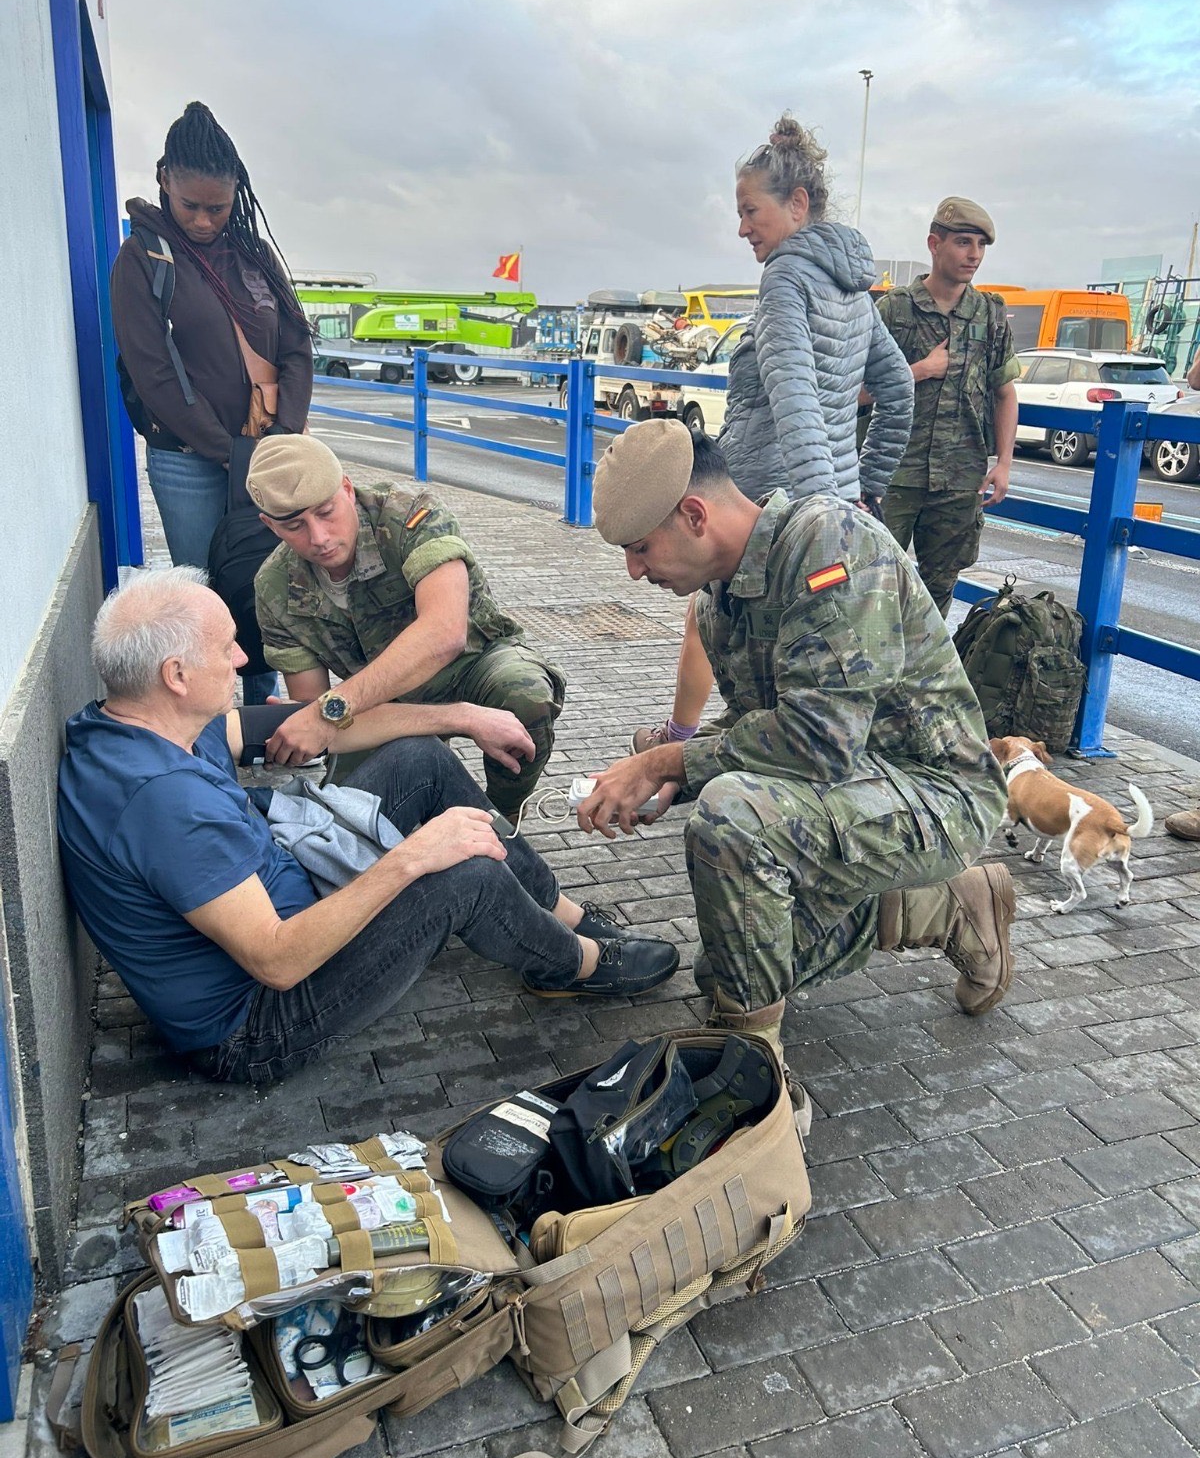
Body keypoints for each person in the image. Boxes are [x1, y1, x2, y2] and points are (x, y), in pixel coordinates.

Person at [56, 570, 677, 1084]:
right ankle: (574, 963)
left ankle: (554, 910)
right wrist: (412, 859)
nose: (244, 658)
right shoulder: (163, 802)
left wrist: (459, 717)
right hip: (258, 1023)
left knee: (421, 763)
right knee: (460, 875)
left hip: (284, 886)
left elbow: (318, 723)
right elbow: (276, 959)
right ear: (176, 675)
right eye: (226, 648)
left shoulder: (136, 723)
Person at [581, 420, 1015, 1052]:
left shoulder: (828, 544)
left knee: (732, 819)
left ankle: (751, 1077)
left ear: (695, 515)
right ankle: (950, 905)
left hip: (939, 792)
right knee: (729, 967)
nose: (632, 571)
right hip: (851, 788)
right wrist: (669, 774)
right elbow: (763, 729)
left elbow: (819, 741)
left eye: (641, 547)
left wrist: (669, 758)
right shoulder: (719, 598)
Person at [631, 112, 913, 754]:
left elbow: (794, 398)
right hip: (829, 494)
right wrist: (861, 491)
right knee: (796, 633)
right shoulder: (854, 289)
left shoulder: (786, 275)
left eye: (750, 209)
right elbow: (897, 392)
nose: (742, 226)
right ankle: (736, 739)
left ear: (798, 204)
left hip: (767, 501)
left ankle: (690, 739)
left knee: (719, 619)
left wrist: (823, 515)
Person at [247, 434, 565, 822]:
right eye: (295, 525)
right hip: (377, 702)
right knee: (351, 818)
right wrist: (459, 717)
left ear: (346, 487)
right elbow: (324, 726)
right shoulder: (275, 587)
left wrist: (325, 713)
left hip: (472, 665)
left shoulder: (409, 515)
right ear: (270, 525)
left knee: (524, 696)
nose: (319, 537)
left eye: (327, 511)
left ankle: (504, 816)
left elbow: (444, 636)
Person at [110, 101, 314, 704]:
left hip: (266, 452)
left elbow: (297, 346)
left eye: (217, 207)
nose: (203, 219)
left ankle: (265, 716)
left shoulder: (253, 253)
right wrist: (230, 453)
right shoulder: (141, 260)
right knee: (205, 600)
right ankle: (211, 720)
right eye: (190, 205)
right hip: (189, 461)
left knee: (269, 588)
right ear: (164, 181)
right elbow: (154, 377)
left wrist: (281, 438)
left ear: (236, 196)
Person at [868, 197, 1020, 617]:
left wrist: (1004, 463)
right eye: (963, 243)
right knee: (871, 582)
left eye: (981, 246)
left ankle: (919, 679)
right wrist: (916, 370)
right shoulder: (893, 310)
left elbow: (1004, 392)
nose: (974, 255)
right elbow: (853, 391)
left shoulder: (989, 315)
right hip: (891, 475)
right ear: (934, 244)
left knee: (937, 596)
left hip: (958, 481)